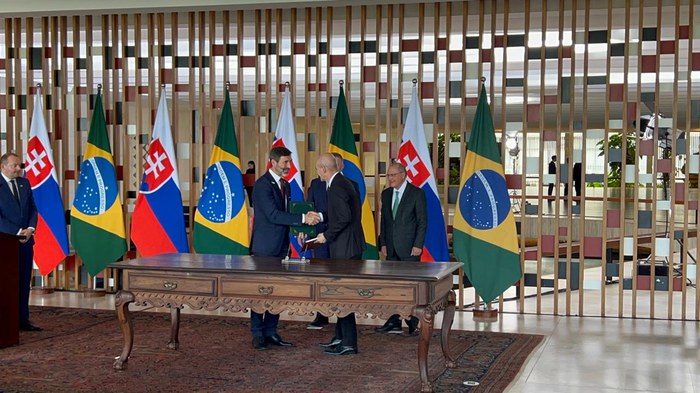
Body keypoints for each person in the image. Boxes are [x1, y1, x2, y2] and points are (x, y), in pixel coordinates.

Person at [249, 147, 319, 350]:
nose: (289, 166)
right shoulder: (262, 185)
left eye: (289, 162)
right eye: (285, 162)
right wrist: (303, 218)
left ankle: (271, 331)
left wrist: (300, 230)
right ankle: (257, 333)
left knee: (277, 291)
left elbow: (287, 213)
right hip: (264, 248)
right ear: (273, 162)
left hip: (282, 245)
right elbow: (273, 215)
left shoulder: (285, 185)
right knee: (259, 291)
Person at [313, 153, 365, 355]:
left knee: (344, 296)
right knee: (342, 296)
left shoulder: (336, 186)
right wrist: (321, 216)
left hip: (345, 249)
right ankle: (341, 338)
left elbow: (343, 218)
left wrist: (326, 235)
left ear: (324, 169)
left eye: (318, 169)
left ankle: (349, 343)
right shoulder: (342, 182)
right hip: (348, 246)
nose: (317, 173)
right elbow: (341, 213)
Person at [375, 162, 426, 336]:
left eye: (393, 175)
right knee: (392, 286)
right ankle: (393, 320)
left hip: (410, 248)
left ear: (403, 174)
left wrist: (418, 244)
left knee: (410, 287)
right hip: (390, 248)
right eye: (388, 176)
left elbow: (422, 221)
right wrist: (382, 242)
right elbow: (385, 221)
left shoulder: (417, 193)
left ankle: (412, 321)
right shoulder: (386, 194)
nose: (390, 179)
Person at [0, 152, 40, 332]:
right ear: (3, 166)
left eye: (20, 165)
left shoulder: (24, 183)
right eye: (14, 166)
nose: (19, 169)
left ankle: (22, 319)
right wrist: (16, 232)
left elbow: (32, 209)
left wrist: (30, 229)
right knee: (5, 282)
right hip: (5, 242)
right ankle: (6, 321)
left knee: (24, 280)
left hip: (26, 241)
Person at [305, 175, 331, 330]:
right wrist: (306, 230)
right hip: (319, 235)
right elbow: (310, 208)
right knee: (321, 276)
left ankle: (344, 316)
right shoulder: (315, 183)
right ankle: (322, 314)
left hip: (340, 238)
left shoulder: (347, 183)